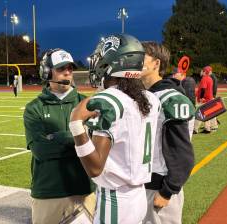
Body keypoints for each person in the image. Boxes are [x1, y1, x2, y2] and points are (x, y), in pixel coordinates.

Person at [69, 34, 160, 223]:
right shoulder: (150, 98)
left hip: (116, 199)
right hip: (139, 195)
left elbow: (95, 168)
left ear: (113, 62)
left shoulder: (110, 101)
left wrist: (76, 124)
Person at [23, 48, 95, 224]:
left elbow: (95, 146)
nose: (68, 73)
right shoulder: (34, 108)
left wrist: (56, 138)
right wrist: (78, 137)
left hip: (83, 190)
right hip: (47, 192)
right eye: (61, 68)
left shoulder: (88, 103)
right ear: (46, 72)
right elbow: (41, 150)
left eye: (70, 68)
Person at [140, 41, 195, 224]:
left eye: (142, 56)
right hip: (141, 185)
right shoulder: (143, 95)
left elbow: (183, 154)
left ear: (156, 63)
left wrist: (167, 191)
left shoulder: (171, 99)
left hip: (159, 186)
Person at [172, 67, 196, 137]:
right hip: (186, 111)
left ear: (181, 74)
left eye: (175, 74)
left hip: (186, 112)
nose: (173, 76)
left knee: (185, 135)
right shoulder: (186, 81)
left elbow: (187, 98)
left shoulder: (186, 82)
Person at [194, 66, 216, 134]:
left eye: (202, 71)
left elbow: (203, 89)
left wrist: (201, 98)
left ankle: (195, 129)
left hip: (205, 99)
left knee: (199, 114)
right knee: (207, 114)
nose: (201, 72)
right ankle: (207, 128)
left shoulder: (204, 78)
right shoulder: (210, 78)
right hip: (209, 98)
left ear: (204, 71)